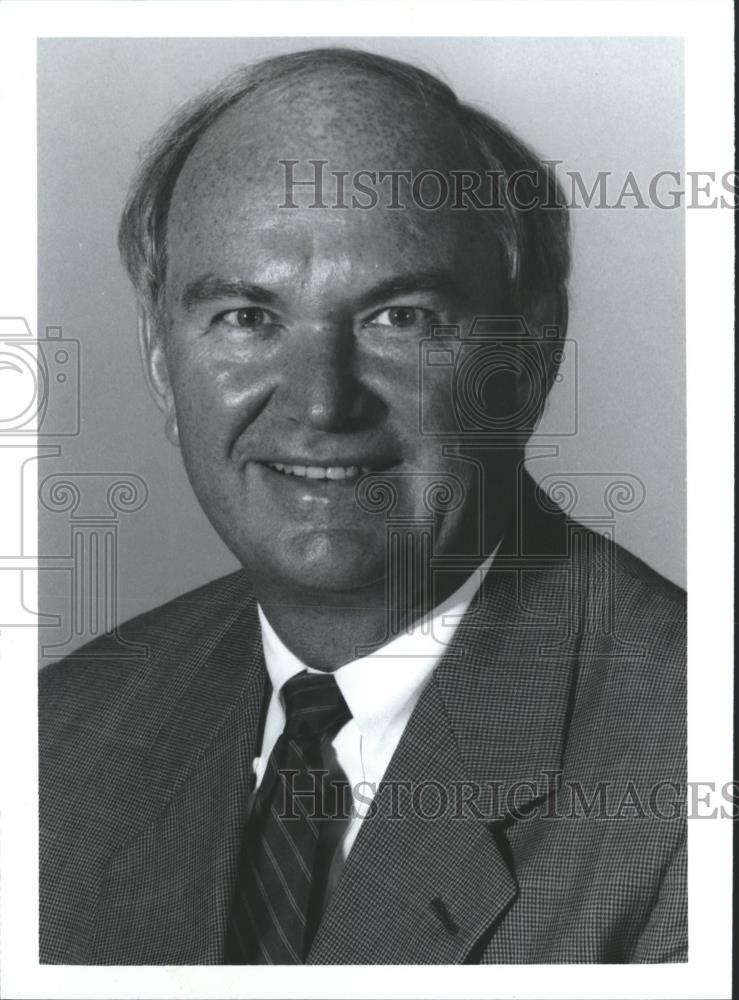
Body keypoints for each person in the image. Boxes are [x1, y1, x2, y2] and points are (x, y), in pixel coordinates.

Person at [39, 47, 686, 965]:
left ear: (531, 353)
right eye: (246, 317)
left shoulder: (688, 772)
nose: (318, 402)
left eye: (400, 317)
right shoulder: (54, 741)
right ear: (159, 360)